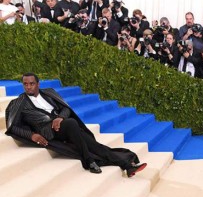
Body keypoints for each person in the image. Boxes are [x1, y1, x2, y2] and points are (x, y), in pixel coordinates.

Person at [5, 73, 147, 177]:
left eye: (32, 83)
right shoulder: (19, 102)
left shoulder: (49, 93)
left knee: (94, 145)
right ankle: (89, 161)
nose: (28, 87)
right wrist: (32, 135)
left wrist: (60, 117)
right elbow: (12, 126)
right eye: (25, 84)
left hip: (63, 124)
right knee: (72, 123)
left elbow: (66, 108)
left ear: (38, 84)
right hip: (47, 131)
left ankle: (128, 166)